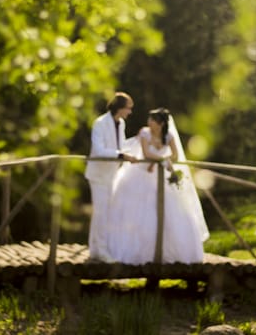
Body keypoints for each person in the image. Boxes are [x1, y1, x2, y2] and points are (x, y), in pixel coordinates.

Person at [107, 107, 209, 265]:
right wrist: (162, 159)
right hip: (141, 174)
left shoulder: (169, 136)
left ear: (160, 124)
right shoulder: (144, 133)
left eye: (152, 120)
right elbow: (146, 153)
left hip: (161, 176)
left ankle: (174, 252)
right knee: (141, 211)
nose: (149, 123)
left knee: (173, 210)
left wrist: (166, 159)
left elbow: (175, 154)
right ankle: (139, 252)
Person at [85, 92, 137, 262]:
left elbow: (120, 147)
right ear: (120, 108)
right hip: (98, 175)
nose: (130, 112)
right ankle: (101, 251)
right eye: (128, 108)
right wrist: (122, 155)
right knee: (101, 212)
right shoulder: (100, 123)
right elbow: (99, 151)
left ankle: (96, 250)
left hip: (112, 175)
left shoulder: (121, 123)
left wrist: (138, 142)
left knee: (104, 212)